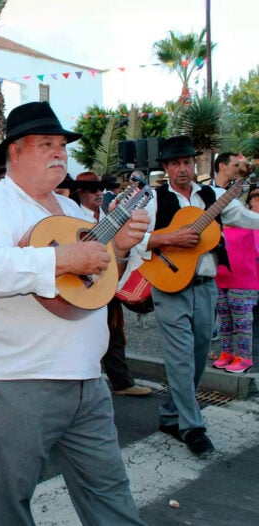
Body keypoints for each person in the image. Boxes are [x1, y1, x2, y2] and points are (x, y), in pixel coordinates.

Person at [0, 101, 148, 525]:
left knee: (110, 492)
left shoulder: (79, 213)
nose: (59, 153)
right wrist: (62, 261)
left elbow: (100, 287)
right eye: (46, 144)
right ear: (16, 152)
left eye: (62, 144)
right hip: (17, 380)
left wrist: (118, 248)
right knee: (12, 503)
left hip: (85, 379)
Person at [134, 135, 259, 456]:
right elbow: (132, 239)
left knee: (199, 355)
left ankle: (170, 415)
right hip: (169, 285)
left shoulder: (212, 195)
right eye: (175, 163)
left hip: (206, 287)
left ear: (194, 164)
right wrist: (168, 237)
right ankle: (193, 427)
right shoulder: (153, 200)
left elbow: (243, 218)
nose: (181, 169)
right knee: (180, 358)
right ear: (165, 167)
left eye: (187, 162)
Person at [71, 171, 152, 397]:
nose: (99, 193)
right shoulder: (73, 216)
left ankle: (122, 383)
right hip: (81, 288)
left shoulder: (108, 215)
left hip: (106, 282)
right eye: (93, 190)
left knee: (114, 333)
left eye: (100, 189)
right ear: (80, 193)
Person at [212, 186, 259, 373]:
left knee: (242, 320)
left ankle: (244, 357)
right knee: (224, 319)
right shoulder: (231, 219)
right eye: (255, 196)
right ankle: (227, 352)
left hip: (244, 277)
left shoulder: (254, 223)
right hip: (222, 275)